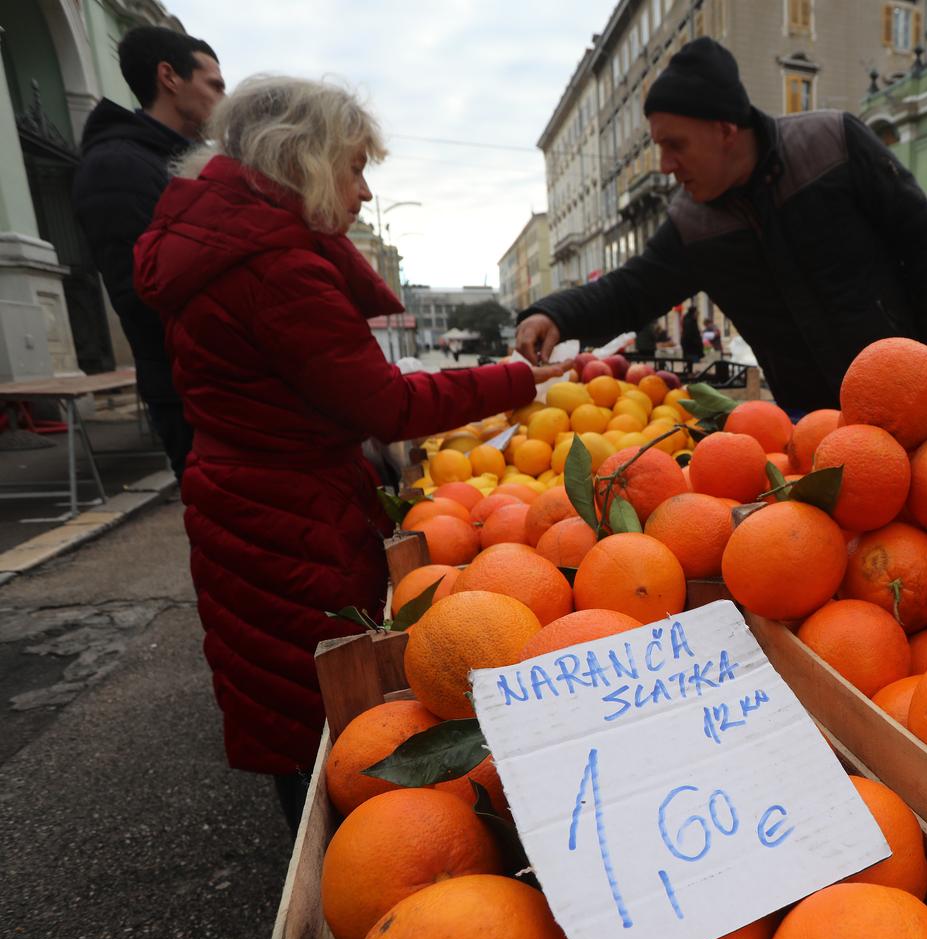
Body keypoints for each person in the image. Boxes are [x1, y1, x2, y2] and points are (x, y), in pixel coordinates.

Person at [133, 75, 569, 826]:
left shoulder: (224, 242)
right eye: (356, 165)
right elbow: (386, 402)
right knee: (321, 707)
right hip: (286, 506)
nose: (364, 192)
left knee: (279, 683)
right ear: (302, 157)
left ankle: (335, 833)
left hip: (249, 493)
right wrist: (514, 379)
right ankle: (349, 849)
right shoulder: (275, 266)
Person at [515, 37, 927, 413]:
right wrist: (554, 313)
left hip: (910, 395)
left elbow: (926, 245)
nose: (666, 165)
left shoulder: (834, 144)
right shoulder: (693, 222)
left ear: (725, 129)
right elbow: (629, 291)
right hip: (806, 418)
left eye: (676, 145)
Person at [73, 27, 226, 479]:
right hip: (193, 391)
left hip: (221, 384)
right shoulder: (117, 166)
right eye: (214, 84)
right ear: (169, 77)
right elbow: (144, 295)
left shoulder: (185, 162)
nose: (224, 96)